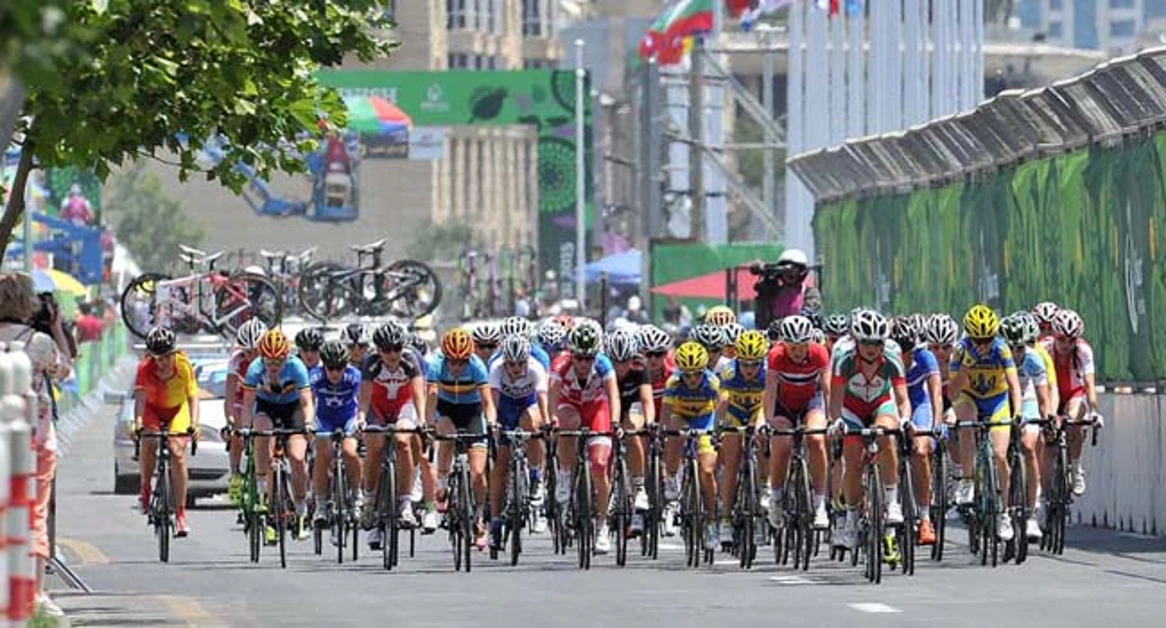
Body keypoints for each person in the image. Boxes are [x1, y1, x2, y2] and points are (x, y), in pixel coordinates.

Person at [0, 272, 72, 618]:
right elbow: (65, 371)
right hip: (38, 441)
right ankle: (36, 593)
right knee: (36, 513)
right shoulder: (40, 343)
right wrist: (57, 327)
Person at [949, 304, 1023, 542]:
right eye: (977, 339)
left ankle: (1004, 513)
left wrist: (1018, 412)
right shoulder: (960, 351)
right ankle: (968, 481)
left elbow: (1014, 385)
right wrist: (966, 367)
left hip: (996, 399)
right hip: (969, 396)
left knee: (1000, 456)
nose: (983, 345)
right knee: (967, 423)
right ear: (969, 337)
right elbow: (952, 392)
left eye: (987, 339)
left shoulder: (1001, 349)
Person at [360, 320, 434, 549]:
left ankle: (404, 503)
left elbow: (418, 392)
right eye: (386, 350)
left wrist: (421, 420)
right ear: (378, 350)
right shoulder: (371, 363)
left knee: (403, 441)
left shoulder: (411, 359)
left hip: (404, 405)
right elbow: (364, 398)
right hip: (378, 408)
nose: (392, 354)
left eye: (396, 349)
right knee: (375, 446)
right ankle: (370, 501)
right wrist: (361, 418)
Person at [548, 323, 621, 554]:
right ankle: (566, 473)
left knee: (600, 465)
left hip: (596, 409)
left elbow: (613, 396)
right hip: (569, 406)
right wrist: (550, 419)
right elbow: (551, 396)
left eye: (588, 358)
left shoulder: (603, 364)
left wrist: (616, 422)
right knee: (566, 423)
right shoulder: (560, 364)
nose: (583, 364)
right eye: (579, 358)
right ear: (572, 354)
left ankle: (601, 526)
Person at [239, 329, 316, 543]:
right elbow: (247, 405)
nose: (273, 367)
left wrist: (309, 424)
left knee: (298, 457)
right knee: (262, 433)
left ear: (287, 357)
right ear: (262, 357)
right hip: (267, 408)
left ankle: (301, 512)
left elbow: (307, 401)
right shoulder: (255, 369)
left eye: (278, 362)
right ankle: (264, 491)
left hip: (293, 409)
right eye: (269, 362)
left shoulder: (296, 366)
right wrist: (246, 427)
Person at [427, 328, 496, 550]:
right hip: (445, 409)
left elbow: (487, 402)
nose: (456, 367)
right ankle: (443, 484)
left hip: (472, 411)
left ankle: (478, 518)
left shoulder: (476, 366)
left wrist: (492, 424)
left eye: (461, 362)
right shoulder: (436, 365)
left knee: (477, 472)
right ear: (445, 357)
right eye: (452, 362)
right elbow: (431, 397)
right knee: (447, 435)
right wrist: (429, 424)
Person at [132, 327, 200, 536]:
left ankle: (180, 514)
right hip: (152, 409)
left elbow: (192, 398)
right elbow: (141, 400)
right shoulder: (145, 368)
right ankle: (145, 488)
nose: (163, 363)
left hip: (177, 409)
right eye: (159, 359)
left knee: (177, 452)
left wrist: (195, 423)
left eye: (167, 357)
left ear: (174, 353)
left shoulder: (183, 365)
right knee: (149, 440)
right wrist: (138, 423)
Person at [487, 335, 549, 546]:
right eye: (511, 364)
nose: (515, 368)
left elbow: (542, 399)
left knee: (531, 424)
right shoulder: (496, 368)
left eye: (520, 363)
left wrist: (547, 422)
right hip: (505, 409)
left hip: (528, 406)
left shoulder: (536, 368)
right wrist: (493, 423)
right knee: (501, 464)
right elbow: (493, 401)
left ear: (527, 360)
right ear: (505, 361)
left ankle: (535, 476)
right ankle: (495, 521)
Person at [659, 341, 720, 552]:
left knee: (707, 470)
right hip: (682, 417)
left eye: (696, 374)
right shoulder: (673, 383)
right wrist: (664, 432)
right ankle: (672, 484)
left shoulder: (712, 382)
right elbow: (666, 414)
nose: (692, 379)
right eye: (687, 374)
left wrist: (718, 433)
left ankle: (712, 521)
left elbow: (720, 411)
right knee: (673, 432)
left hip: (705, 420)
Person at [310, 341, 363, 547]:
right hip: (324, 419)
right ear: (324, 366)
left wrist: (360, 422)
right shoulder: (315, 376)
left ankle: (356, 496)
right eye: (330, 368)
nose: (334, 372)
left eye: (339, 367)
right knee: (322, 452)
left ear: (345, 365)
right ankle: (321, 505)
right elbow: (308, 401)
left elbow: (361, 402)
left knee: (350, 452)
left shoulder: (354, 376)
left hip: (347, 417)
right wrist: (309, 425)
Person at [225, 319, 267, 507]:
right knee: (238, 434)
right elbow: (229, 397)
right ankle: (235, 474)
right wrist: (230, 420)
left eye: (256, 351)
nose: (251, 355)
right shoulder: (236, 360)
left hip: (264, 401)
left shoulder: (272, 359)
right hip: (243, 401)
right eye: (247, 351)